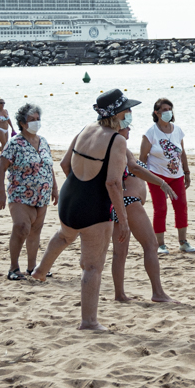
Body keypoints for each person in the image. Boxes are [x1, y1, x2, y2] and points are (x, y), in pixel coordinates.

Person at [31, 90, 133, 332]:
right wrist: (124, 219)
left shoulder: (85, 128)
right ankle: (89, 322)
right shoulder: (117, 140)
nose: (130, 114)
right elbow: (113, 183)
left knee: (66, 235)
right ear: (117, 114)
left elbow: (65, 163)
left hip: (69, 197)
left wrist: (79, 190)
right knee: (92, 266)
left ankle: (40, 270)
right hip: (94, 206)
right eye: (127, 111)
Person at [111, 118, 179, 304]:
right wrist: (162, 183)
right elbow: (133, 169)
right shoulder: (120, 146)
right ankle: (158, 292)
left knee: (120, 252)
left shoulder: (109, 147)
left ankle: (119, 294)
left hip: (117, 204)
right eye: (126, 127)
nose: (129, 130)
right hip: (130, 202)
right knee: (151, 245)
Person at [0, 103, 57, 280]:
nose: (36, 123)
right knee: (21, 227)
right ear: (22, 123)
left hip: (42, 194)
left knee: (35, 231)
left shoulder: (43, 142)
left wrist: (54, 188)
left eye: (38, 119)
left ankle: (32, 268)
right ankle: (13, 268)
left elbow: (49, 166)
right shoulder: (14, 143)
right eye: (32, 120)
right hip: (20, 194)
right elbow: (1, 168)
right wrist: (1, 192)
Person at [140, 98, 195, 254]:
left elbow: (182, 153)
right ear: (156, 113)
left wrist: (187, 172)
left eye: (170, 109)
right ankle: (160, 244)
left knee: (181, 207)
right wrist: (144, 179)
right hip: (156, 176)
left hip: (177, 175)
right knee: (160, 209)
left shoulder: (177, 130)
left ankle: (183, 242)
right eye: (164, 109)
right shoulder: (150, 133)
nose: (168, 112)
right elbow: (142, 158)